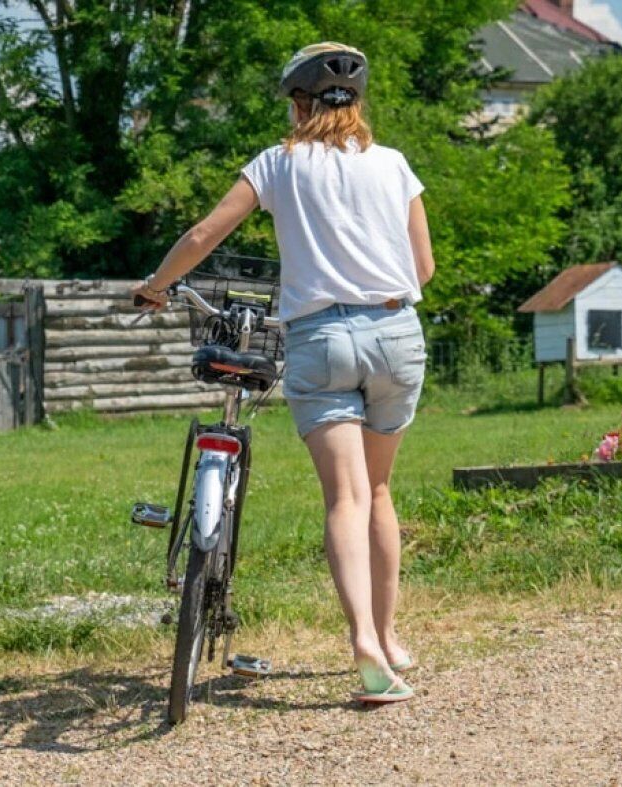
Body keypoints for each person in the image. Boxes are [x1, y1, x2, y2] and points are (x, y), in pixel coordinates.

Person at [131, 43, 435, 704]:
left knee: (346, 498)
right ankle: (387, 636)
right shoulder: (394, 166)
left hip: (321, 338)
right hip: (395, 334)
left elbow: (204, 232)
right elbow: (425, 269)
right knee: (379, 492)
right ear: (356, 103)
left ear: (299, 105)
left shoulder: (278, 163)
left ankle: (362, 638)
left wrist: (157, 285)